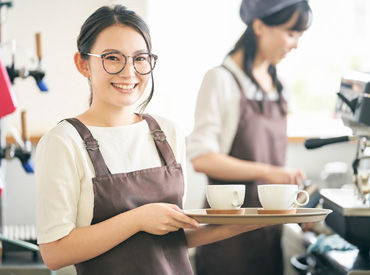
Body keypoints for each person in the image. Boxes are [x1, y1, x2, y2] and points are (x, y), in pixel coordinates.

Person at [35, 5, 267, 275]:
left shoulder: (167, 133)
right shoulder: (63, 142)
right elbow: (54, 252)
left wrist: (240, 224)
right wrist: (138, 219)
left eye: (140, 59)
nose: (129, 72)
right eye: (112, 58)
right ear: (83, 63)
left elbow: (170, 239)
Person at [187, 0, 312, 274]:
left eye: (300, 35)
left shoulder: (279, 88)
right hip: (226, 239)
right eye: (291, 33)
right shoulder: (220, 80)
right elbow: (202, 158)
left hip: (268, 234)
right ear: (259, 26)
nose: (295, 44)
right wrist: (270, 172)